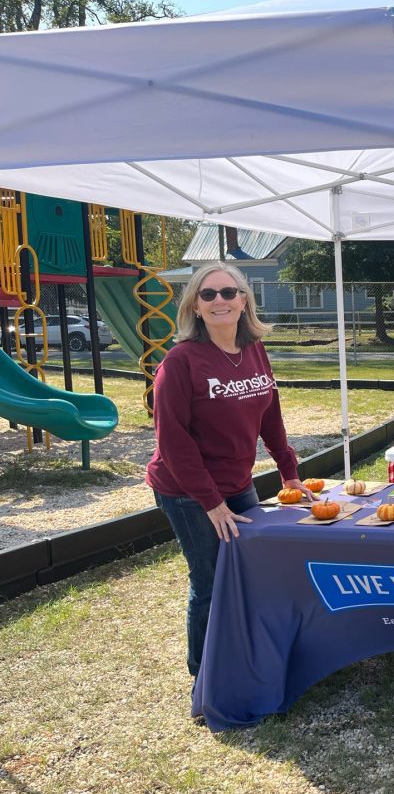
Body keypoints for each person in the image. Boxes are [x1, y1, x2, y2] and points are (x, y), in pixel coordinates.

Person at [147, 262, 310, 683]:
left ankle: (242, 655)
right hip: (186, 490)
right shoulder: (180, 362)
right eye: (208, 294)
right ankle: (205, 678)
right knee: (211, 579)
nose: (219, 301)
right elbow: (174, 442)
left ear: (243, 300)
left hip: (238, 484)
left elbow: (269, 413)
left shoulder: (255, 349)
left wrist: (288, 472)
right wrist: (211, 503)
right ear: (195, 307)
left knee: (248, 570)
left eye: (228, 292)